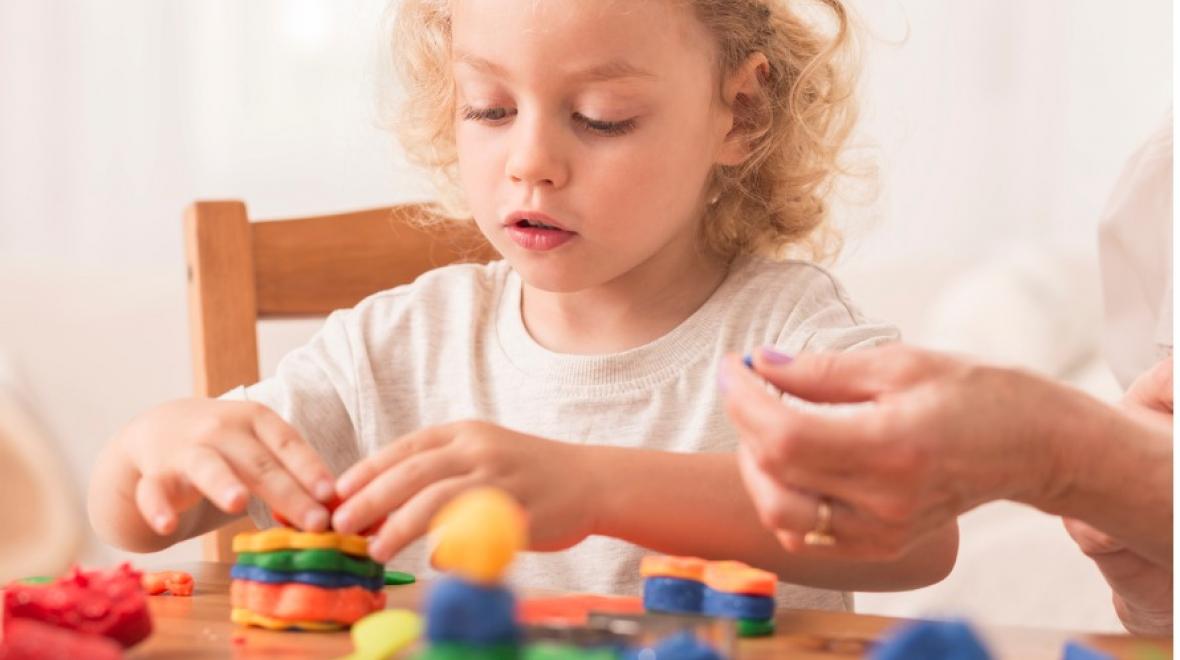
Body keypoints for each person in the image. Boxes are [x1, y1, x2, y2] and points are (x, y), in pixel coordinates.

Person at [88, 0, 959, 608]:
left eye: (601, 116)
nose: (530, 160)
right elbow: (134, 517)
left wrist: (591, 486)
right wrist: (155, 444)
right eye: (491, 108)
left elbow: (918, 530)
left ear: (740, 111)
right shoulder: (398, 347)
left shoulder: (788, 338)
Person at [721, 118, 1173, 633]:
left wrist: (1064, 454)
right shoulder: (1159, 185)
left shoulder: (793, 315)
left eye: (610, 120)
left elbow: (922, 543)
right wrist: (1158, 603)